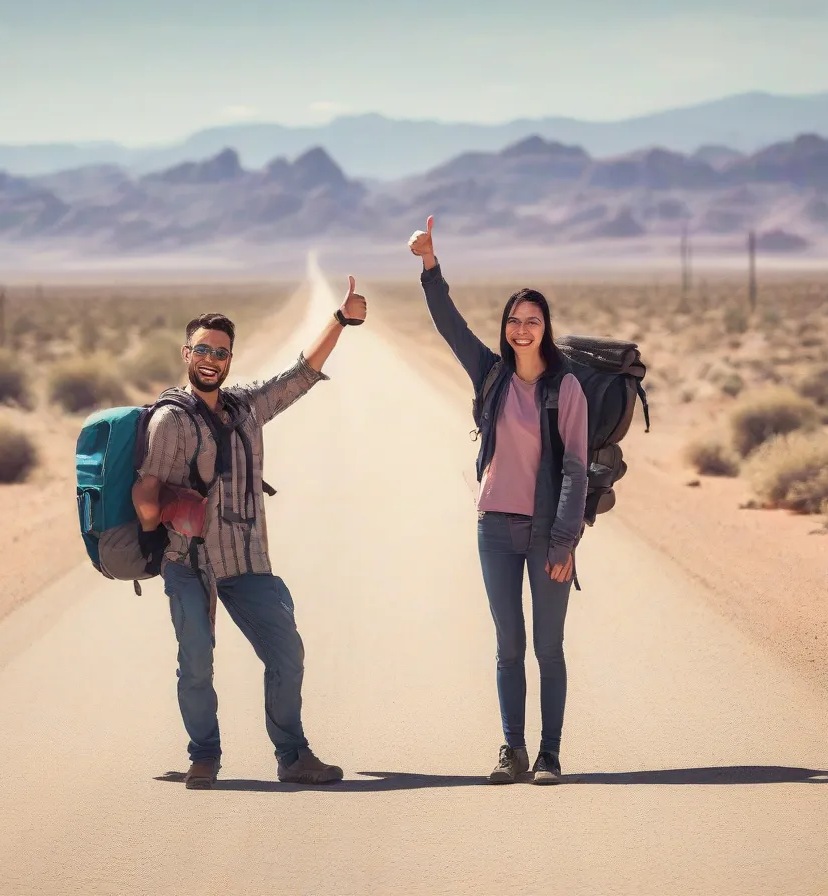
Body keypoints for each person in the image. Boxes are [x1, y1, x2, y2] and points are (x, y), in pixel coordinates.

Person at [131, 277, 367, 789]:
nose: (211, 358)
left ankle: (293, 756)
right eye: (202, 350)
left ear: (230, 357)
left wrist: (340, 319)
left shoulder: (245, 409)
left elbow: (300, 375)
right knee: (195, 663)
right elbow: (146, 492)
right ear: (186, 353)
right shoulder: (170, 421)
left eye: (220, 351)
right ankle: (204, 757)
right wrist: (166, 523)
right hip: (189, 564)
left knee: (287, 653)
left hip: (246, 560)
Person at [408, 216, 588, 786]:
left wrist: (564, 539)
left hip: (546, 533)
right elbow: (450, 327)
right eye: (514, 320)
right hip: (494, 528)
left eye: (532, 321)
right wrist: (430, 264)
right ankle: (512, 749)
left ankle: (550, 754)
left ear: (546, 327)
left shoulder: (566, 388)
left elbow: (578, 467)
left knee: (549, 647)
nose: (521, 329)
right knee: (508, 646)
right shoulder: (492, 376)